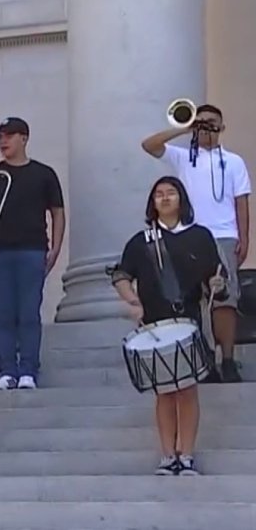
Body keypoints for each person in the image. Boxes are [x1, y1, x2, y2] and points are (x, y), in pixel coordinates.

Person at [109, 176, 227, 476]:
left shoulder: (200, 237)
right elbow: (121, 276)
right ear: (153, 203)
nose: (164, 198)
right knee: (164, 391)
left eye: (171, 193)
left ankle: (186, 454)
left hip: (188, 321)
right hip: (155, 325)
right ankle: (166, 455)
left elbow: (217, 280)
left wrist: (217, 282)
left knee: (187, 390)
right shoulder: (141, 241)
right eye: (159, 194)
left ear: (181, 199)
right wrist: (132, 301)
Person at [141, 103, 250, 382]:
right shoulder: (182, 156)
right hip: (189, 236)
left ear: (221, 127)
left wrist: (244, 237)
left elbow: (241, 202)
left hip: (224, 236)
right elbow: (149, 145)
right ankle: (204, 361)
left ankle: (227, 359)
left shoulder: (234, 161)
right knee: (194, 301)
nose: (205, 126)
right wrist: (184, 127)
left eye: (210, 121)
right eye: (200, 121)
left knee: (225, 300)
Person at [0, 117, 65, 390]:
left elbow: (57, 211)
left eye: (9, 135)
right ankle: (7, 370)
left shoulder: (43, 173)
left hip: (32, 249)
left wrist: (55, 247)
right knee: (3, 312)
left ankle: (29, 369)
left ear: (24, 138)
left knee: (29, 312)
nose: (3, 141)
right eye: (0, 136)